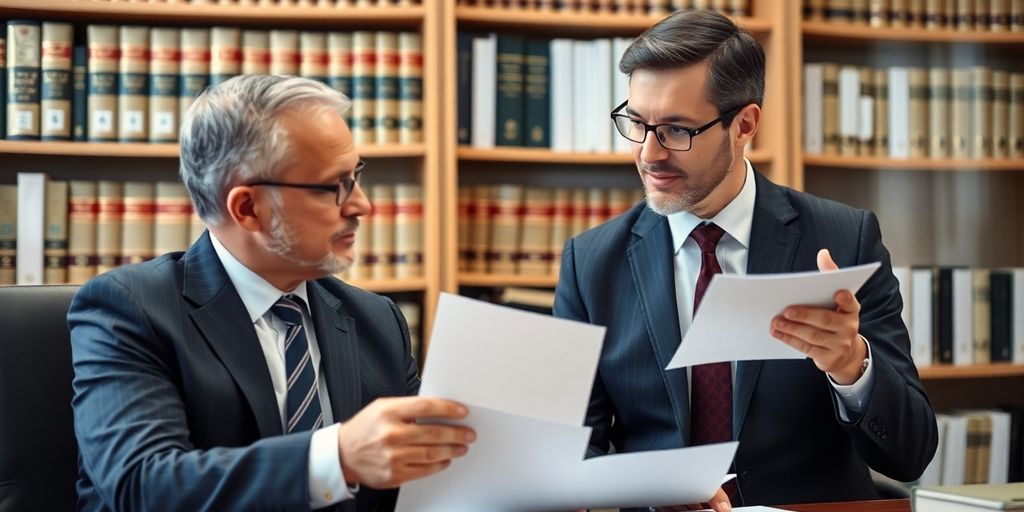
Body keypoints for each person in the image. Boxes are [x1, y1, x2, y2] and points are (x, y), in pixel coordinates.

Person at [553, 9, 938, 510]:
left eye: (675, 130)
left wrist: (851, 366)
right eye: (636, 122)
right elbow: (568, 450)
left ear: (744, 124)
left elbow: (911, 455)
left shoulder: (845, 238)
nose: (648, 153)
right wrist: (648, 486)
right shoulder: (591, 262)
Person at [68, 75, 475, 511]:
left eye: (356, 175)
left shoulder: (377, 319)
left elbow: (422, 480)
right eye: (334, 186)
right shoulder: (129, 309)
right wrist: (336, 457)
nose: (361, 205)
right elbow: (142, 485)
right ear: (248, 208)